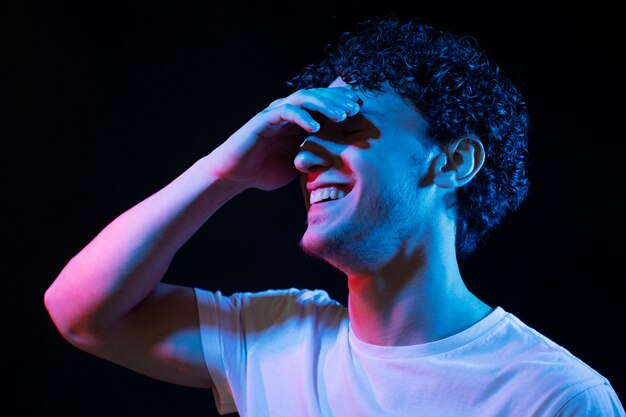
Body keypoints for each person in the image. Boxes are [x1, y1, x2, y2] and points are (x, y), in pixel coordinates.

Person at [44, 16, 624, 416]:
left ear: (453, 161)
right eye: (304, 136)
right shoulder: (277, 340)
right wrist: (224, 169)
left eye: (345, 126)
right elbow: (78, 312)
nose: (301, 156)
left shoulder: (553, 395)